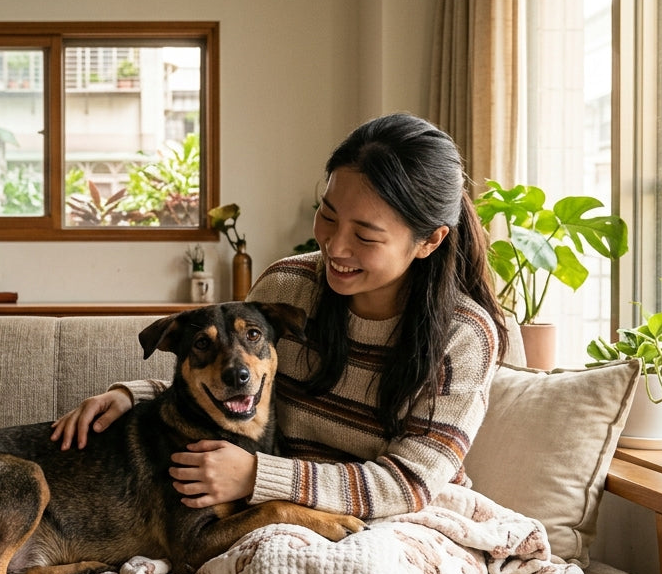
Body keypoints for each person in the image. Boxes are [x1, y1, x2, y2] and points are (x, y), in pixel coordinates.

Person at [52, 112, 508, 519]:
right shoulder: (288, 286)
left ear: (429, 241)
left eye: (365, 236)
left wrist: (257, 475)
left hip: (404, 517)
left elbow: (408, 484)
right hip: (282, 506)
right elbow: (239, 380)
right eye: (328, 215)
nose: (335, 246)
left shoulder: (464, 336)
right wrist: (131, 396)